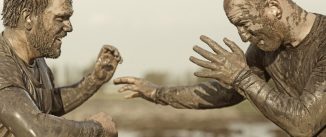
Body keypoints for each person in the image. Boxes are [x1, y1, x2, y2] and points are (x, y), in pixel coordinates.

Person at [114, 0, 326, 136]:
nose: (242, 36)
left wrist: (241, 77)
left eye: (243, 23)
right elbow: (225, 94)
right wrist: (156, 92)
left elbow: (304, 124)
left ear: (273, 8)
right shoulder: (264, 49)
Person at [0, 0, 121, 136]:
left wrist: (94, 80)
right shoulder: (2, 65)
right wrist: (97, 129)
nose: (69, 27)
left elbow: (49, 104)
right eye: (60, 18)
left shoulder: (38, 61)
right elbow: (36, 129)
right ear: (28, 18)